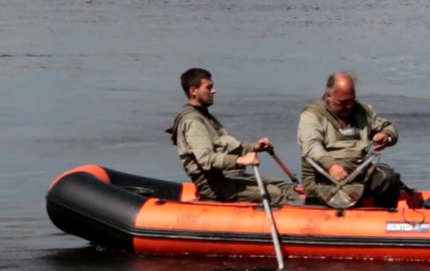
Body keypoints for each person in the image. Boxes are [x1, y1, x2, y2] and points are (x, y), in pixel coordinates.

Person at [167, 67, 300, 205]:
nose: (214, 91)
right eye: (209, 87)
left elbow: (225, 147)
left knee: (285, 187)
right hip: (214, 186)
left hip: (230, 176)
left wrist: (255, 147)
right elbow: (206, 159)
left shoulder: (204, 116)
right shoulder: (192, 121)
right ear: (193, 91)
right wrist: (240, 160)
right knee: (276, 194)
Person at [297, 71, 405, 207]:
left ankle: (385, 218)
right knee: (337, 192)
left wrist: (386, 136)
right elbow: (311, 146)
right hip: (325, 181)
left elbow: (388, 127)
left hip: (359, 176)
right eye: (342, 102)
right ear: (328, 96)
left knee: (389, 178)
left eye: (351, 101)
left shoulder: (363, 111)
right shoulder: (312, 115)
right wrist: (331, 165)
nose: (348, 106)